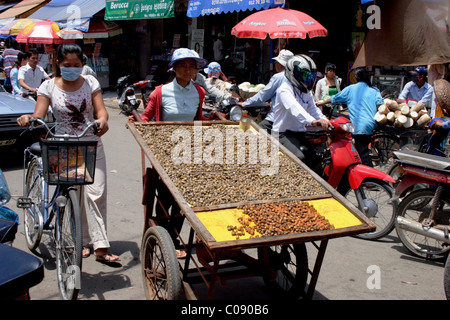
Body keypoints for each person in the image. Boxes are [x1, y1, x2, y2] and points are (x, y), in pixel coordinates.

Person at [17, 43, 119, 264]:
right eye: (67, 65)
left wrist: (102, 120)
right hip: (62, 146)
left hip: (90, 144)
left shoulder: (90, 82)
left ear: (83, 64)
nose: (72, 68)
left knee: (96, 192)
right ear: (58, 64)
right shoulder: (48, 86)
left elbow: (101, 111)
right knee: (75, 195)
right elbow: (39, 113)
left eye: (76, 65)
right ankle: (80, 240)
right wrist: (29, 118)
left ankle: (100, 245)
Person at [131, 48, 210, 258]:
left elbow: (199, 119)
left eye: (191, 65)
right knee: (166, 197)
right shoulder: (160, 91)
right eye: (182, 65)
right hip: (165, 152)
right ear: (173, 68)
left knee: (183, 200)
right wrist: (136, 123)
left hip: (189, 152)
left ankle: (173, 238)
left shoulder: (199, 92)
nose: (187, 69)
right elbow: (147, 117)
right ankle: (164, 238)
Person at [272, 54, 331, 168]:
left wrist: (325, 120)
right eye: (305, 76)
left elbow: (313, 109)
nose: (308, 80)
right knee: (299, 158)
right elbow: (295, 109)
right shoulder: (284, 89)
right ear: (293, 74)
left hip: (299, 134)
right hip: (281, 134)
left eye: (310, 77)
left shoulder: (306, 92)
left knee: (316, 158)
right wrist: (313, 121)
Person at [318, 67, 383, 167]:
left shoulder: (351, 89)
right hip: (372, 124)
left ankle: (371, 179)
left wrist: (321, 103)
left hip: (360, 127)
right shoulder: (374, 90)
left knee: (362, 154)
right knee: (361, 149)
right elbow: (380, 105)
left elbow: (334, 98)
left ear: (355, 78)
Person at [241, 49, 294, 133]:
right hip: (293, 120)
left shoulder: (278, 77)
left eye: (276, 62)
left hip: (276, 118)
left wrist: (245, 103)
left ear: (280, 64)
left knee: (258, 133)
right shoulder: (296, 76)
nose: (275, 64)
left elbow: (263, 95)